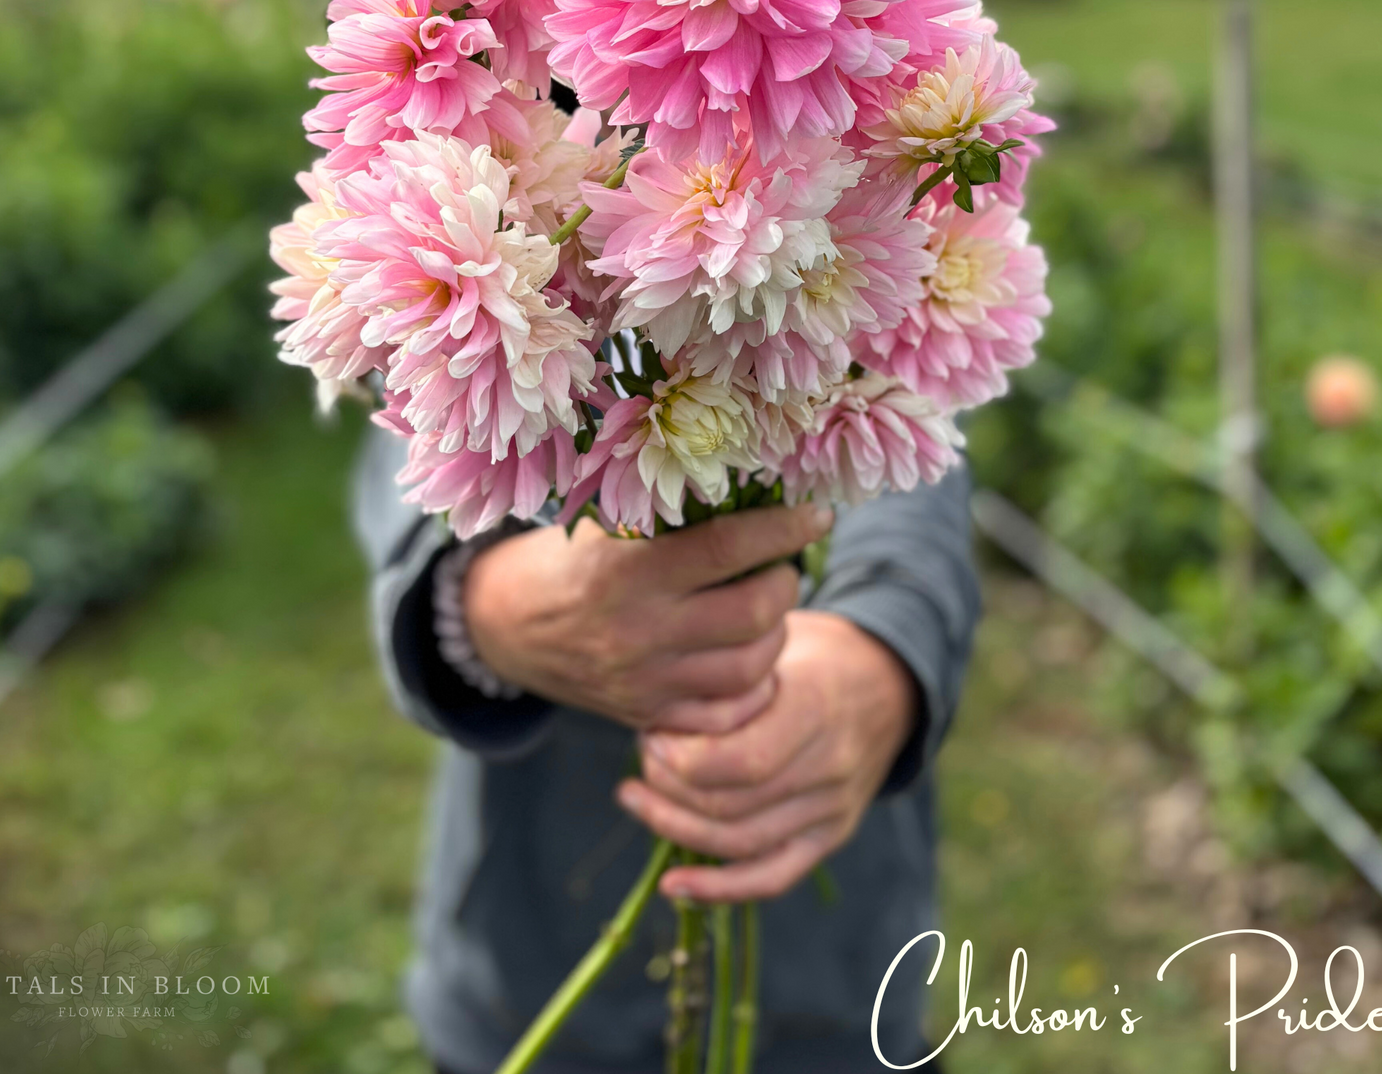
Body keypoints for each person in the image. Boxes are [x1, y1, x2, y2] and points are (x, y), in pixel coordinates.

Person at [355, 422, 981, 1074]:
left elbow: (920, 439)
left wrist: (881, 648)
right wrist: (483, 598)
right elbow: (408, 397)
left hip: (832, 994)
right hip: (525, 955)